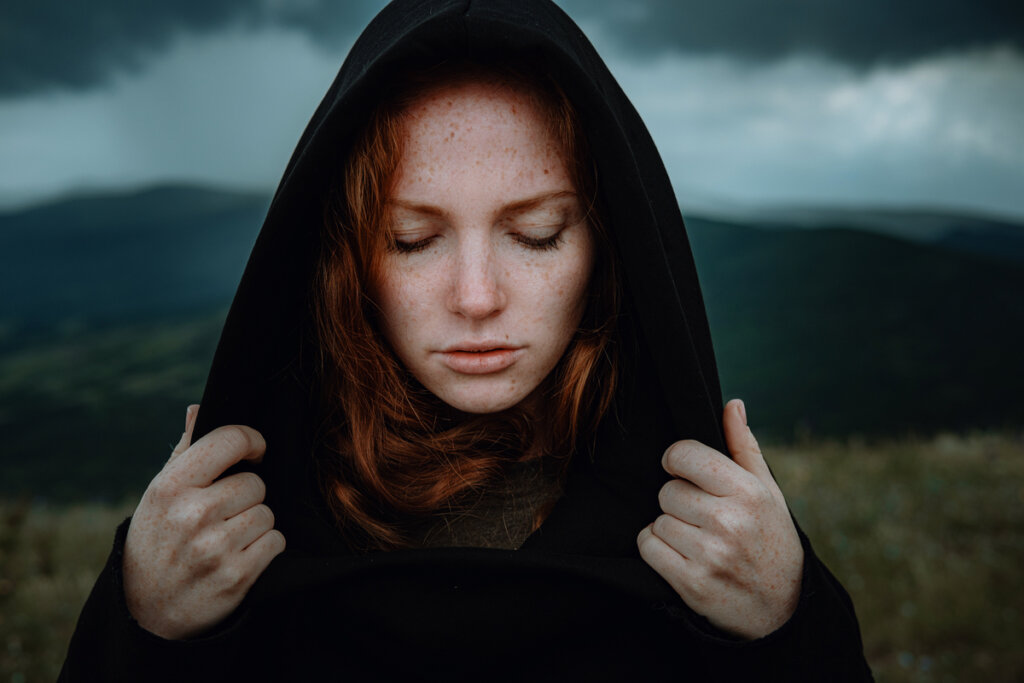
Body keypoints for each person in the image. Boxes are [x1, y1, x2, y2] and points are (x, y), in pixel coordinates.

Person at [61, 0, 873, 680]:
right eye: (411, 239)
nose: (477, 298)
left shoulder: (710, 543)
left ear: (608, 243)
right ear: (348, 258)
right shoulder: (243, 536)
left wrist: (788, 624)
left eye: (537, 232)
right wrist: (141, 627)